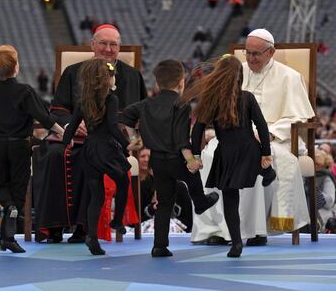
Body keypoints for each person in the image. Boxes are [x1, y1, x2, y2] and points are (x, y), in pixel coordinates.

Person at [191, 28, 315, 246]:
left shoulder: (290, 77)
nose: (249, 58)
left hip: (275, 139)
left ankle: (255, 230)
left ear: (271, 52)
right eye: (247, 53)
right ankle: (217, 229)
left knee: (256, 156)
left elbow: (296, 117)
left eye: (255, 54)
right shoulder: (236, 73)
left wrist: (269, 135)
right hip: (233, 136)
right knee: (210, 154)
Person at [33, 24, 147, 244]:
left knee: (93, 157)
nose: (108, 49)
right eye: (103, 43)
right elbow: (59, 110)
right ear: (92, 45)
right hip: (76, 137)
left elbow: (138, 115)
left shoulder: (132, 76)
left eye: (113, 44)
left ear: (119, 47)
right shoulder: (73, 72)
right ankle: (54, 226)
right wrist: (73, 126)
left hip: (110, 141)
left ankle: (85, 228)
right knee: (55, 156)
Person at [123, 60, 219, 257]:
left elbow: (125, 116)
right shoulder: (181, 105)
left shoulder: (145, 104)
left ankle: (159, 245)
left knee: (164, 202)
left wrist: (135, 137)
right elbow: (181, 139)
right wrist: (191, 160)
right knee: (192, 178)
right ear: (181, 82)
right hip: (176, 158)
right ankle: (200, 203)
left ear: (157, 84)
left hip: (156, 161)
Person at [181, 54, 273, 257]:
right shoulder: (247, 97)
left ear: (218, 76)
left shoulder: (212, 100)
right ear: (240, 76)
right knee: (262, 167)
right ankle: (268, 173)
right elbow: (262, 125)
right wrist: (266, 152)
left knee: (231, 201)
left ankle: (236, 243)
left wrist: (195, 154)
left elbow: (198, 129)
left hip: (226, 154)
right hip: (250, 150)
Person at [0, 45, 64, 253]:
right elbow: (44, 117)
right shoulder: (24, 91)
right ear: (16, 67)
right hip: (19, 145)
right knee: (18, 189)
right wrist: (65, 133)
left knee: (2, 185)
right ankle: (9, 227)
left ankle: (5, 237)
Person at [62, 59, 136, 255]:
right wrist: (126, 144)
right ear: (106, 79)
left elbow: (72, 124)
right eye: (112, 76)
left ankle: (92, 237)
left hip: (89, 150)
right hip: (107, 150)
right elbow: (112, 127)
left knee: (96, 196)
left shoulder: (82, 100)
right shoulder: (111, 99)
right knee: (123, 182)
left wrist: (66, 143)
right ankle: (118, 220)